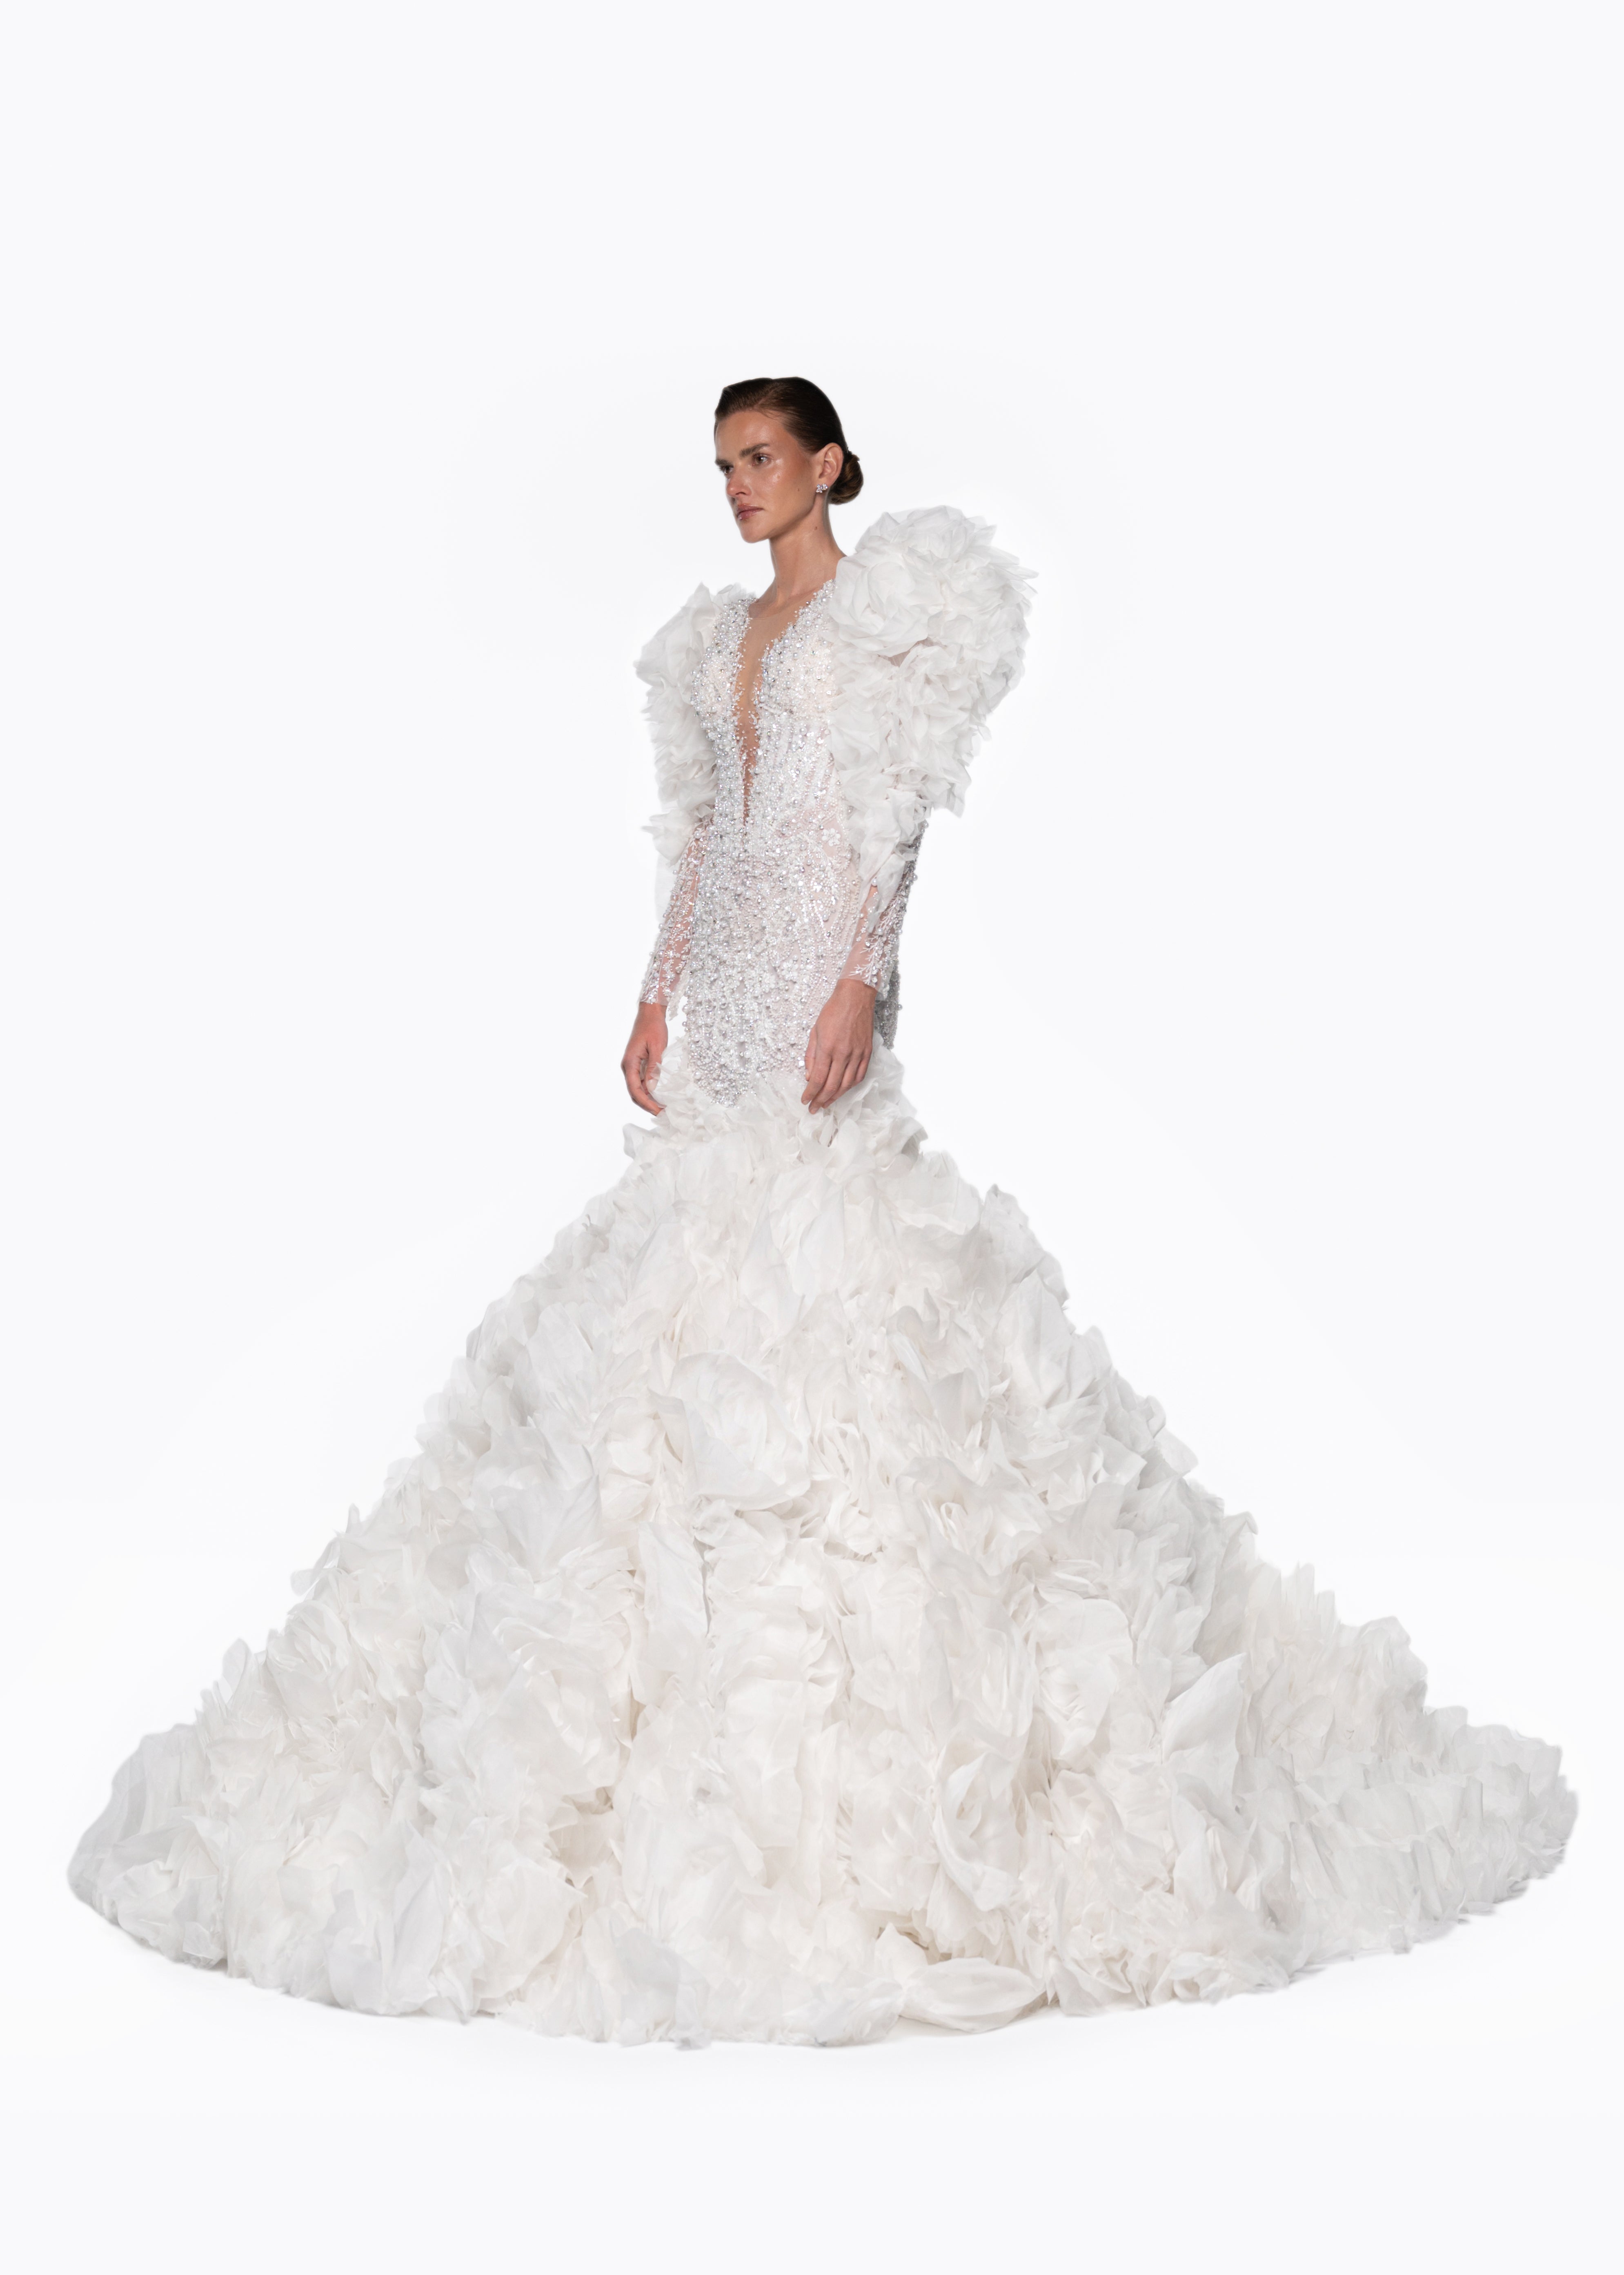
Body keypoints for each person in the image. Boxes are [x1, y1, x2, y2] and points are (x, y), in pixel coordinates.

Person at [69, 376, 1575, 2047]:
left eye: (763, 458)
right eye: (722, 464)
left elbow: (885, 815)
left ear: (828, 464)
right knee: (654, 1309)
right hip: (719, 994)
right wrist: (654, 991)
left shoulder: (882, 620)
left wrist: (863, 973)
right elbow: (703, 838)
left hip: (814, 987)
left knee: (837, 1289)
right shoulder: (711, 644)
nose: (738, 485)